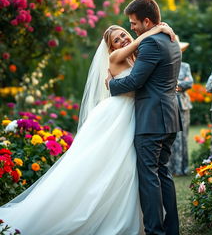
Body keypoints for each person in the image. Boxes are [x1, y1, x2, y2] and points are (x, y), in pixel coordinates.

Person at [0, 24, 175, 235]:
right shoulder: (117, 57)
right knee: (106, 166)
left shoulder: (137, 58)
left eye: (123, 35)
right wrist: (156, 30)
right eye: (116, 40)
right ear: (111, 48)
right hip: (117, 117)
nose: (123, 40)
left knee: (128, 169)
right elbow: (136, 66)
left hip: (135, 117)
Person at [106, 0, 182, 235]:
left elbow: (135, 81)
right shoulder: (171, 40)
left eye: (134, 23)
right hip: (169, 117)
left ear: (147, 21)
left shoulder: (150, 44)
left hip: (151, 120)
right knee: (163, 173)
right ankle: (171, 230)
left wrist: (111, 85)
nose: (132, 28)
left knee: (149, 178)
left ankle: (155, 232)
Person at [169, 38, 193, 176]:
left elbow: (189, 82)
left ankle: (182, 168)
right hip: (169, 104)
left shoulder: (185, 66)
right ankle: (171, 168)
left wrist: (175, 84)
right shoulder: (165, 65)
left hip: (183, 105)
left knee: (183, 136)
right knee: (171, 137)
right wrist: (178, 83)